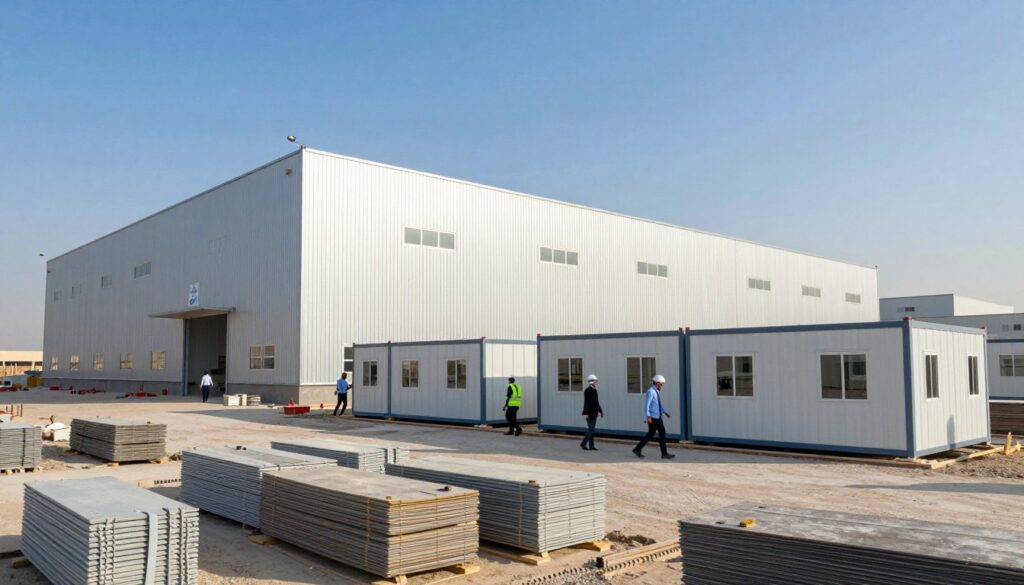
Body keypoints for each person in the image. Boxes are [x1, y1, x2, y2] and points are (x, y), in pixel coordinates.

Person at [632, 374, 675, 459]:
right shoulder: (651, 391)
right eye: (662, 384)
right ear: (657, 383)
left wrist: (665, 412)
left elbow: (657, 405)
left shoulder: (656, 391)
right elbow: (647, 405)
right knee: (651, 434)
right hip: (653, 418)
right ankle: (637, 449)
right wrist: (648, 416)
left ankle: (664, 453)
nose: (662, 386)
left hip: (658, 417)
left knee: (661, 434)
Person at [580, 374, 604, 451]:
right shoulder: (588, 390)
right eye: (595, 381)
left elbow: (596, 402)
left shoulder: (594, 390)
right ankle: (583, 444)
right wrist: (586, 413)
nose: (596, 382)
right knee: (591, 429)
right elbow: (586, 402)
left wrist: (600, 411)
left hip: (594, 413)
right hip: (589, 413)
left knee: (592, 429)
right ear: (592, 381)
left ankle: (591, 446)